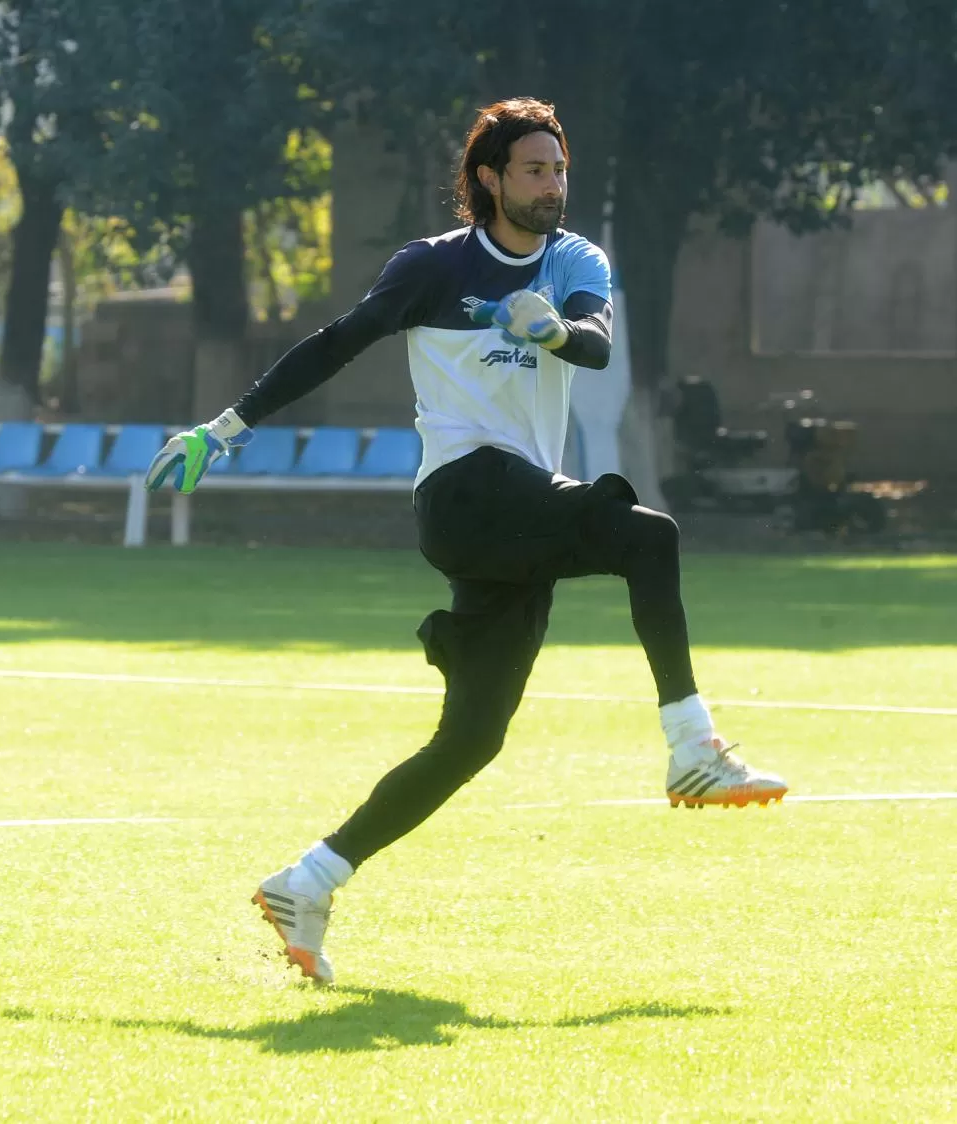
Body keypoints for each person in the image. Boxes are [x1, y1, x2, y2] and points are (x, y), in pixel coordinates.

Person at [145, 97, 787, 984]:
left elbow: (596, 345)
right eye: (533, 169)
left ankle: (310, 879)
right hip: (466, 492)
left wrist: (554, 326)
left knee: (473, 739)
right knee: (651, 538)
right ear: (489, 179)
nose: (552, 184)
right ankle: (693, 748)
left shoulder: (573, 260)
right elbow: (336, 345)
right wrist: (223, 428)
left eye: (559, 169)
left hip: (516, 513)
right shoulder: (430, 268)